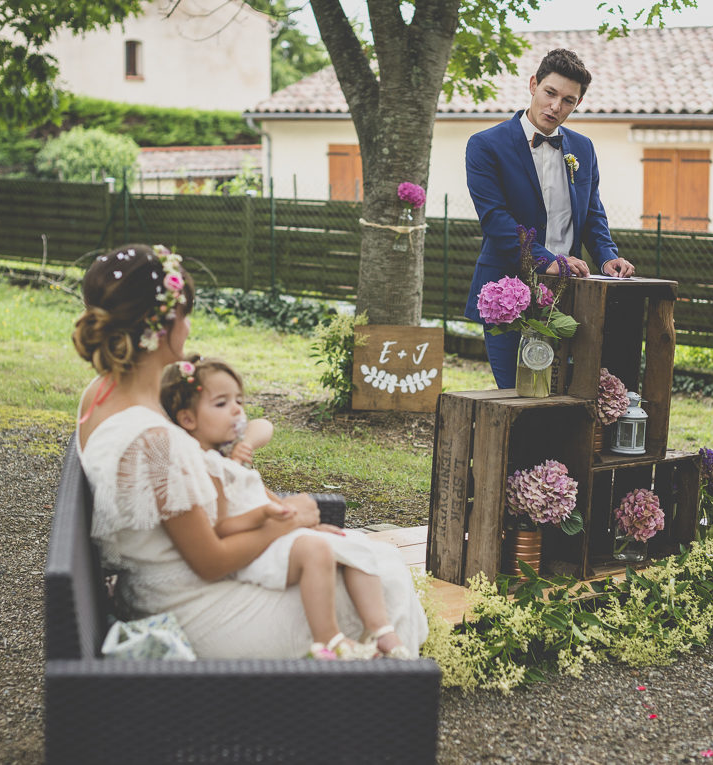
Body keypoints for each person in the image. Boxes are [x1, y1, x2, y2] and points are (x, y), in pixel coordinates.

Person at [72, 243, 427, 659]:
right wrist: (290, 521)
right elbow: (209, 560)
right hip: (193, 607)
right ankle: (375, 694)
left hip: (156, 585)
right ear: (163, 326)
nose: (189, 327)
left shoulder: (99, 393)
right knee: (382, 576)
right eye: (185, 315)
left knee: (363, 555)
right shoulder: (154, 441)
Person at [160, 355, 409, 658]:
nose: (237, 409)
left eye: (238, 400)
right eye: (222, 403)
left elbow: (264, 463)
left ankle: (381, 630)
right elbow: (222, 526)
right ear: (188, 419)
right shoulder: (208, 467)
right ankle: (328, 640)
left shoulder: (226, 458)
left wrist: (308, 523)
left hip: (277, 535)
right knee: (316, 551)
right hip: (256, 550)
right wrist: (265, 516)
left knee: (353, 542)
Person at [464, 48, 636, 389]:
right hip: (506, 290)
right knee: (515, 394)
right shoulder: (485, 145)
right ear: (533, 85)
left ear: (578, 103)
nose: (556, 107)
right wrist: (547, 260)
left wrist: (607, 256)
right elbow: (496, 219)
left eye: (568, 100)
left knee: (566, 393)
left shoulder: (583, 149)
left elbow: (592, 215)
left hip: (569, 293)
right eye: (550, 93)